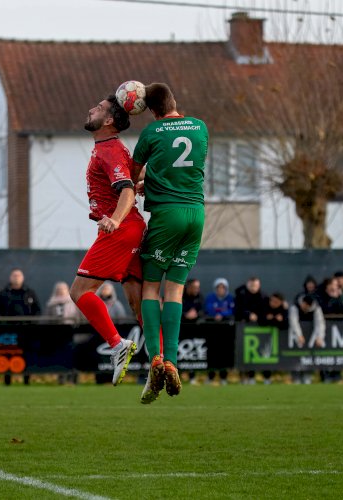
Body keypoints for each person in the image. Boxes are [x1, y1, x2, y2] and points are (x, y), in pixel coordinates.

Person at [132, 82, 208, 403]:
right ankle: (174, 361)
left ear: (152, 111)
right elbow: (181, 166)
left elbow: (133, 172)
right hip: (196, 213)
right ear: (174, 101)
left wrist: (141, 182)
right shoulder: (200, 127)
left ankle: (156, 358)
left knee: (151, 287)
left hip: (167, 215)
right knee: (175, 289)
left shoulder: (151, 133)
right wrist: (156, 180)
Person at [68, 94, 144, 389]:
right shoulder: (112, 148)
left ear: (109, 120)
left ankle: (117, 345)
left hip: (120, 229)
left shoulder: (109, 149)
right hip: (131, 227)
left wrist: (114, 219)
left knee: (80, 291)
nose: (91, 108)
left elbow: (125, 191)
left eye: (98, 108)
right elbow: (132, 182)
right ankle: (162, 360)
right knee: (139, 304)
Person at [0, 268, 41, 385]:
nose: (16, 277)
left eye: (18, 275)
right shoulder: (3, 293)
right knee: (8, 355)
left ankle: (26, 380)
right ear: (10, 278)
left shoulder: (30, 293)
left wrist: (31, 325)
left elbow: (37, 311)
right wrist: (3, 325)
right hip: (8, 332)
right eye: (14, 275)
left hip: (26, 331)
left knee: (26, 355)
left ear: (22, 278)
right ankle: (7, 380)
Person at [288, 294, 325, 385]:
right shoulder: (295, 307)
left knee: (309, 356)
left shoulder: (316, 309)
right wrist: (299, 335)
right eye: (305, 305)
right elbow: (293, 321)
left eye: (308, 306)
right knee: (294, 356)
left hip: (310, 336)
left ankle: (307, 376)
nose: (306, 308)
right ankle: (295, 377)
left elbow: (320, 324)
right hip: (294, 337)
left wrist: (320, 337)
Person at [258, 292, 289, 384]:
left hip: (280, 340)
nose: (274, 303)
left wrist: (281, 320)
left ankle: (282, 376)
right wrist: (267, 318)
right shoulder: (264, 307)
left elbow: (286, 325)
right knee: (265, 358)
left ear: (281, 302)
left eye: (276, 302)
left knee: (279, 358)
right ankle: (266, 378)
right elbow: (260, 322)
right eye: (272, 301)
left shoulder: (283, 309)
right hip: (264, 338)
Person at [181, 278, 205, 385]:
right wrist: (185, 315)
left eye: (198, 287)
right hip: (180, 328)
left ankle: (192, 377)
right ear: (188, 287)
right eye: (194, 287)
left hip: (194, 328)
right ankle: (175, 376)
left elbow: (203, 311)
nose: (197, 289)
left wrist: (197, 314)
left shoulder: (200, 296)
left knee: (193, 353)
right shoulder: (179, 294)